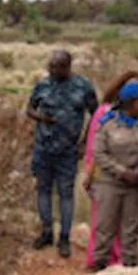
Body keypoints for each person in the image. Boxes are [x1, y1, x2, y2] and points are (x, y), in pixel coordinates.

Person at [28, 50, 98, 257]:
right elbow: (29, 109)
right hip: (43, 147)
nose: (51, 70)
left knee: (66, 194)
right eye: (49, 66)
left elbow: (96, 116)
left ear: (66, 66)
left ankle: (65, 238)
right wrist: (41, 118)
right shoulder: (43, 84)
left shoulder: (83, 86)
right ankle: (47, 232)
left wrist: (84, 143)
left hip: (68, 151)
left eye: (55, 67)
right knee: (43, 190)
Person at [83, 70, 138, 269]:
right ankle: (99, 267)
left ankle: (128, 269)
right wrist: (121, 172)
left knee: (131, 231)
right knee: (105, 228)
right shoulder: (107, 122)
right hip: (109, 183)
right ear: (130, 102)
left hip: (135, 185)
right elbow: (99, 152)